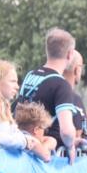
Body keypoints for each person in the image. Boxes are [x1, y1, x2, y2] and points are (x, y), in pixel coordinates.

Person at [15, 27, 79, 161]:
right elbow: (67, 131)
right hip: (44, 155)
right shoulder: (62, 85)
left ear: (47, 50)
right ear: (70, 54)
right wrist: (70, 146)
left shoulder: (30, 75)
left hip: (22, 146)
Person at [0, 60, 53, 160]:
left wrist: (34, 141)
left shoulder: (2, 107)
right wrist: (25, 142)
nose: (17, 87)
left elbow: (13, 134)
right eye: (12, 81)